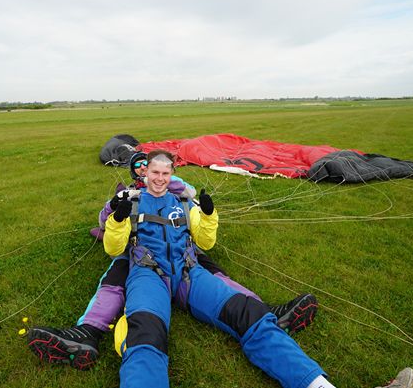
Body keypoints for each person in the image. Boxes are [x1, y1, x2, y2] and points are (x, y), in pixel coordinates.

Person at [96, 149, 413, 388]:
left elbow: (205, 242)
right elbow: (113, 248)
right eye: (154, 173)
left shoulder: (182, 204)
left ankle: (317, 385)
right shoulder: (132, 203)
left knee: (250, 313)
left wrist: (207, 215)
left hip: (188, 273)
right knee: (146, 334)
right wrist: (119, 220)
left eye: (165, 173)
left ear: (172, 174)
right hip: (148, 274)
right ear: (146, 174)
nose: (159, 179)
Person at [27, 151, 318, 370]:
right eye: (144, 168)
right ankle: (87, 330)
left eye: (160, 171)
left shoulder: (176, 189)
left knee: (214, 272)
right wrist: (115, 211)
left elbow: (191, 204)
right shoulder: (126, 194)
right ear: (140, 172)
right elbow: (106, 227)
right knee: (116, 277)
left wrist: (202, 210)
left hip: (181, 249)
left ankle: (262, 312)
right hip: (139, 253)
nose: (155, 175)